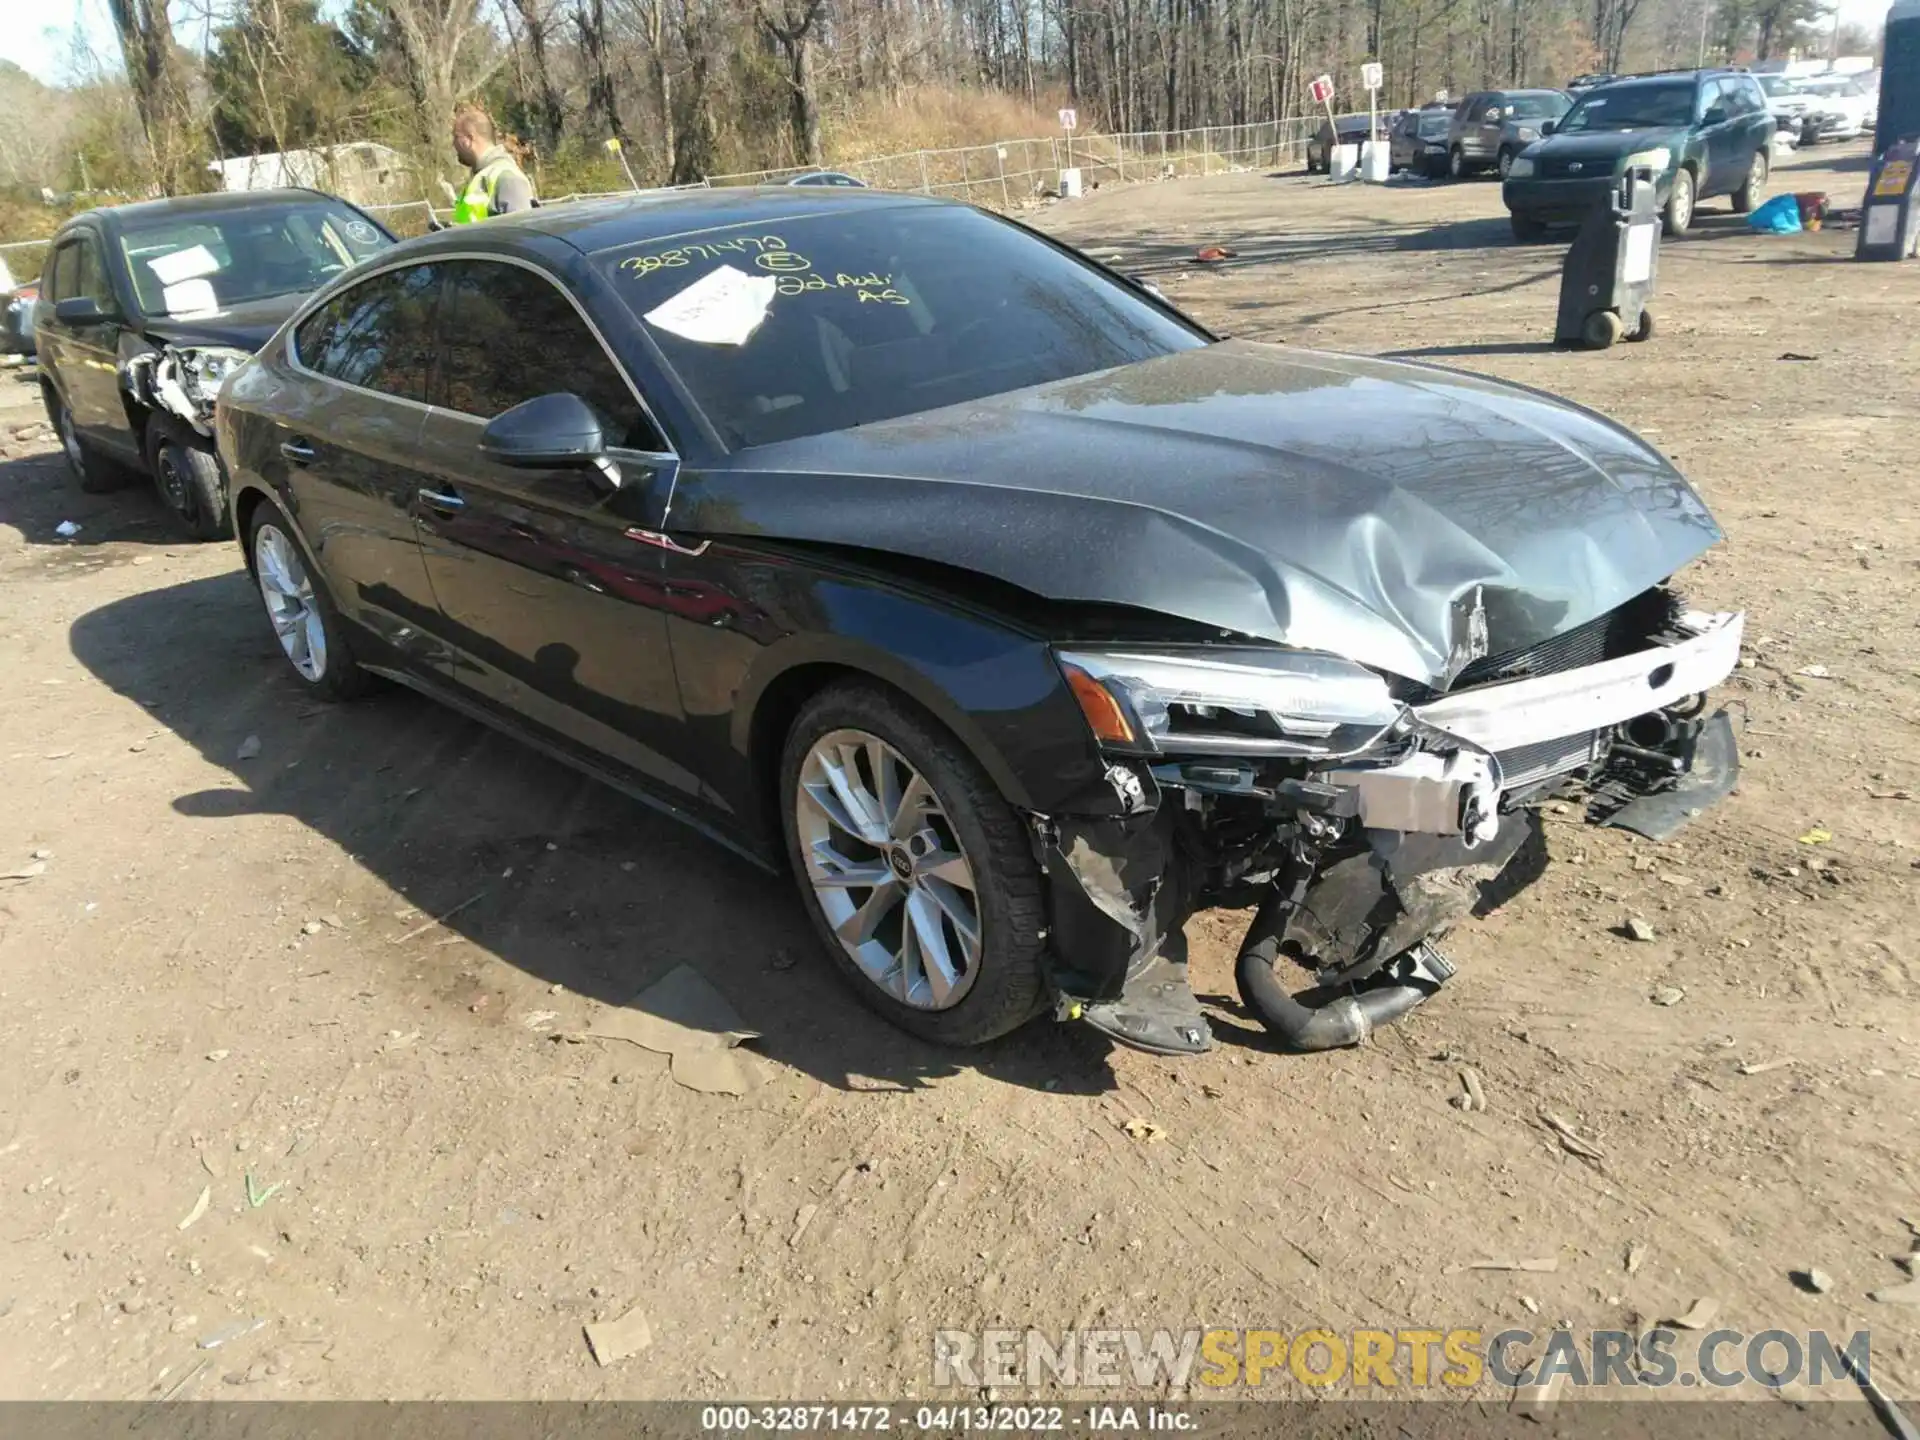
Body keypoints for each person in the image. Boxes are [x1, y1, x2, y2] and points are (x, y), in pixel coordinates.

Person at [450, 105, 534, 223]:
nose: (453, 144)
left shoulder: (507, 177)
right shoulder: (479, 178)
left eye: (456, 137)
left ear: (468, 139)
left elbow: (521, 235)